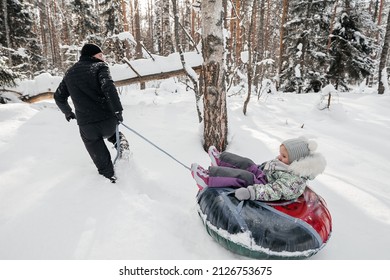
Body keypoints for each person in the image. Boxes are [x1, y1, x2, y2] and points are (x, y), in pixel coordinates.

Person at [54, 43, 127, 183]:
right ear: (91, 56)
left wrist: (68, 112)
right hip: (107, 120)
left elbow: (58, 96)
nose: (103, 59)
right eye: (100, 56)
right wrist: (117, 110)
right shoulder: (100, 67)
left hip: (87, 125)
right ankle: (122, 147)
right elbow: (108, 86)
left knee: (93, 144)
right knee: (114, 134)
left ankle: (109, 177)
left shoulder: (70, 73)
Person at [191, 137, 326, 201]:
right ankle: (220, 159)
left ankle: (208, 179)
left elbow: (274, 191)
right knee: (248, 163)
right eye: (280, 153)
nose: (279, 157)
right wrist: (257, 168)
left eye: (284, 156)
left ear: (296, 161)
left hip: (266, 185)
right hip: (265, 176)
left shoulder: (294, 180)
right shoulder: (286, 164)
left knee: (244, 177)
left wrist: (252, 192)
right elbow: (272, 167)